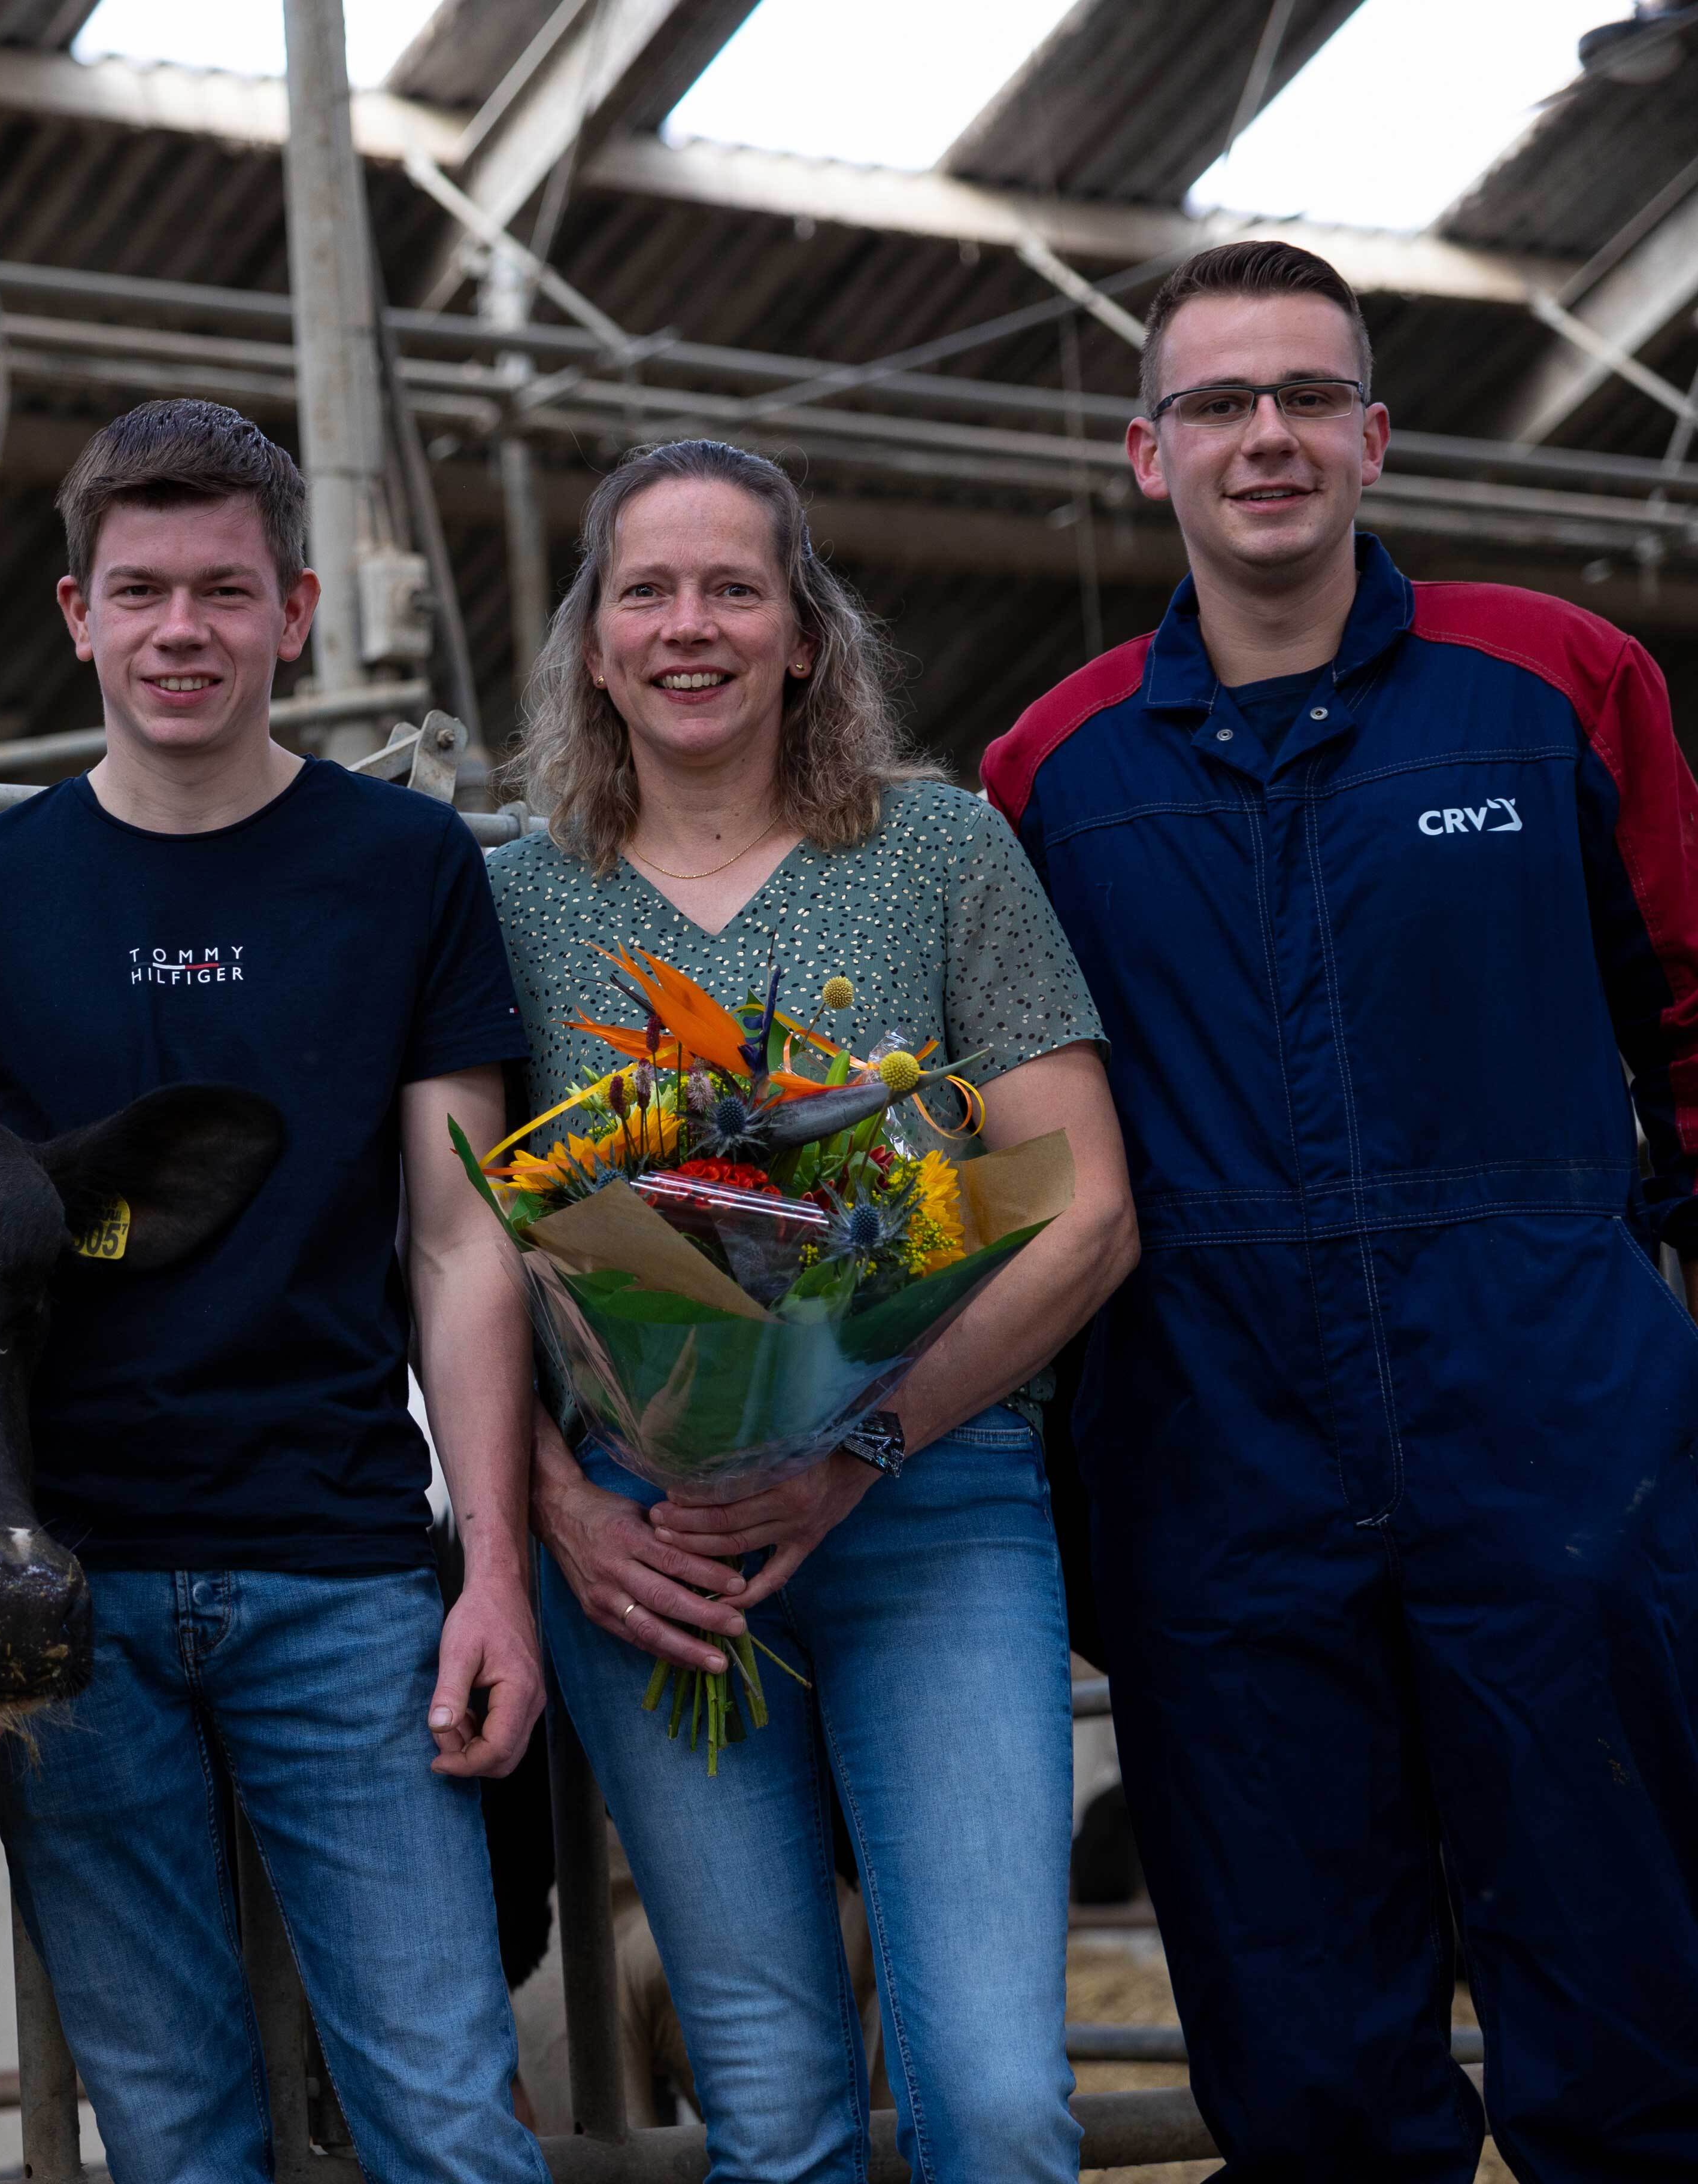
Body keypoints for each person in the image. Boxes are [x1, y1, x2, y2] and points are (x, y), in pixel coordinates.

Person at [985, 239, 1698, 2181]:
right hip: (1218, 1452)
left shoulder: (1556, 681)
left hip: (1550, 1425)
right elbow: (1017, 1149)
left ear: (1376, 437)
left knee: (1630, 2002)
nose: (1268, 437)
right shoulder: (1050, 773)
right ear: (1149, 454)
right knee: (1302, 2049)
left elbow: (1695, 1008)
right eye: (1220, 403)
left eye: (1307, 397)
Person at [0, 399, 550, 2180]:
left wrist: (492, 1571)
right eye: (144, 591)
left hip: (341, 1573)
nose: (186, 632)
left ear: (299, 612)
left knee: (448, 2115)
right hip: (68, 1603)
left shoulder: (405, 870)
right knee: (173, 2136)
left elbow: (464, 1236)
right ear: (78, 614)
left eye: (227, 594)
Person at [492, 437, 1139, 2181]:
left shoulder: (942, 852)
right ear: (593, 640)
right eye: (647, 590)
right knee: (771, 2107)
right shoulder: (510, 895)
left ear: (803, 634)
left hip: (928, 1506)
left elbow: (1079, 1210)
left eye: (733, 589)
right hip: (654, 1545)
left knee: (997, 2098)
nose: (687, 626)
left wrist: (856, 1442)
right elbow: (465, 1251)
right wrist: (564, 1516)